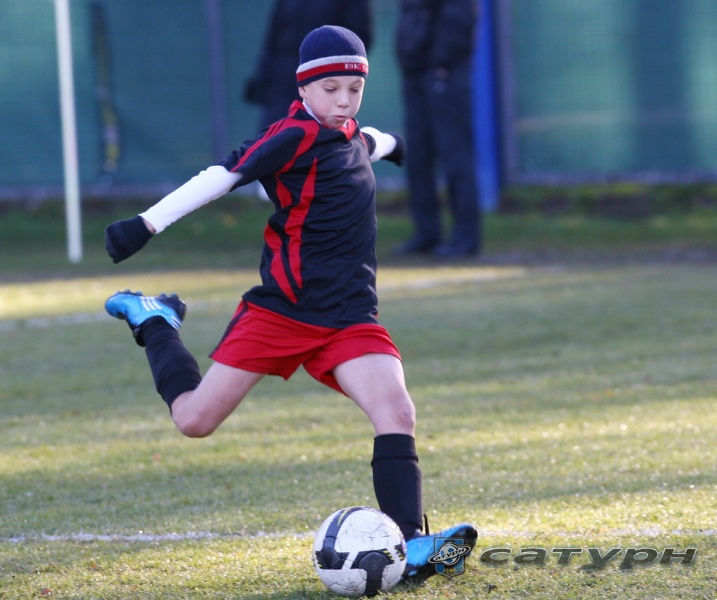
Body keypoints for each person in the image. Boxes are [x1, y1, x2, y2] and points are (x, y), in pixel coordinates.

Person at [103, 25, 476, 584]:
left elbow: (369, 140)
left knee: (397, 412)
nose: (343, 100)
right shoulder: (291, 135)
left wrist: (398, 145)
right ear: (303, 88)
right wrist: (145, 224)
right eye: (331, 89)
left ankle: (412, 542)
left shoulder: (349, 133)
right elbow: (222, 176)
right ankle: (155, 321)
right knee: (194, 420)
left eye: (354, 88)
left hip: (350, 317)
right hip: (283, 312)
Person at [393, 0, 482, 259]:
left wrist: (443, 62)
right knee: (417, 157)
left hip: (445, 74)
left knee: (455, 156)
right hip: (416, 73)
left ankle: (465, 237)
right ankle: (426, 233)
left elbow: (460, 19)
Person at [244, 0, 373, 129]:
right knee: (273, 134)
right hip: (281, 83)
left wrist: (333, 77)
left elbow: (357, 38)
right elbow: (274, 36)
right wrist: (262, 75)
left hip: (321, 81)